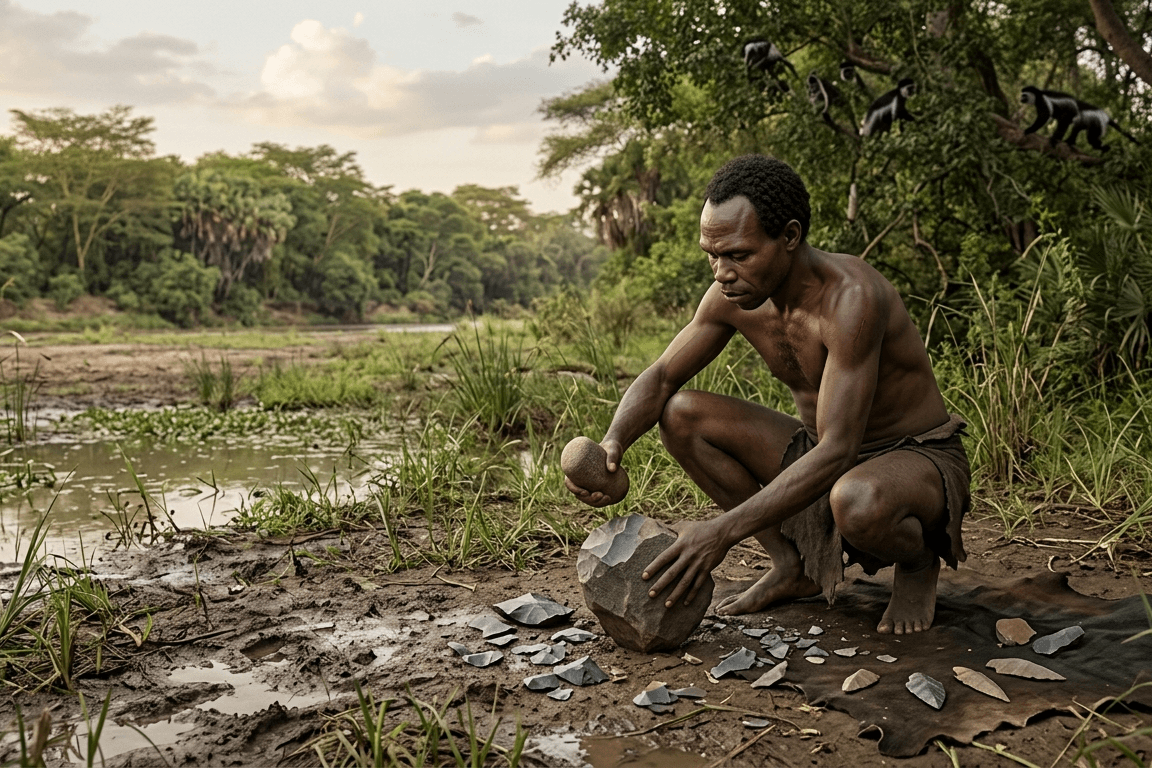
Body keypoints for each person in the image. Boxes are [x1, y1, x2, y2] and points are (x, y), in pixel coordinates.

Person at [564, 155, 970, 634]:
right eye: (712, 255)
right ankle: (791, 565)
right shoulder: (731, 297)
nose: (721, 272)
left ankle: (919, 563)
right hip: (821, 453)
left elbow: (841, 449)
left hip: (912, 460)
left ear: (790, 237)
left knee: (857, 499)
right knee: (681, 415)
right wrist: (613, 442)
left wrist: (723, 532)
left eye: (738, 254)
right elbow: (661, 378)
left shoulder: (852, 300)